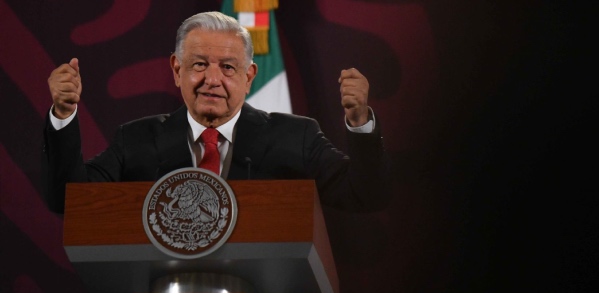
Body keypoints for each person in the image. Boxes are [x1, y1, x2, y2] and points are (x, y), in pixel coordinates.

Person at [43, 11, 389, 214]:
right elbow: (70, 201)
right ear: (177, 70)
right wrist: (63, 114)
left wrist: (359, 123)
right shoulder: (135, 140)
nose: (212, 80)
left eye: (227, 67)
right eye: (198, 65)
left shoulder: (297, 137)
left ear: (249, 76)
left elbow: (366, 195)